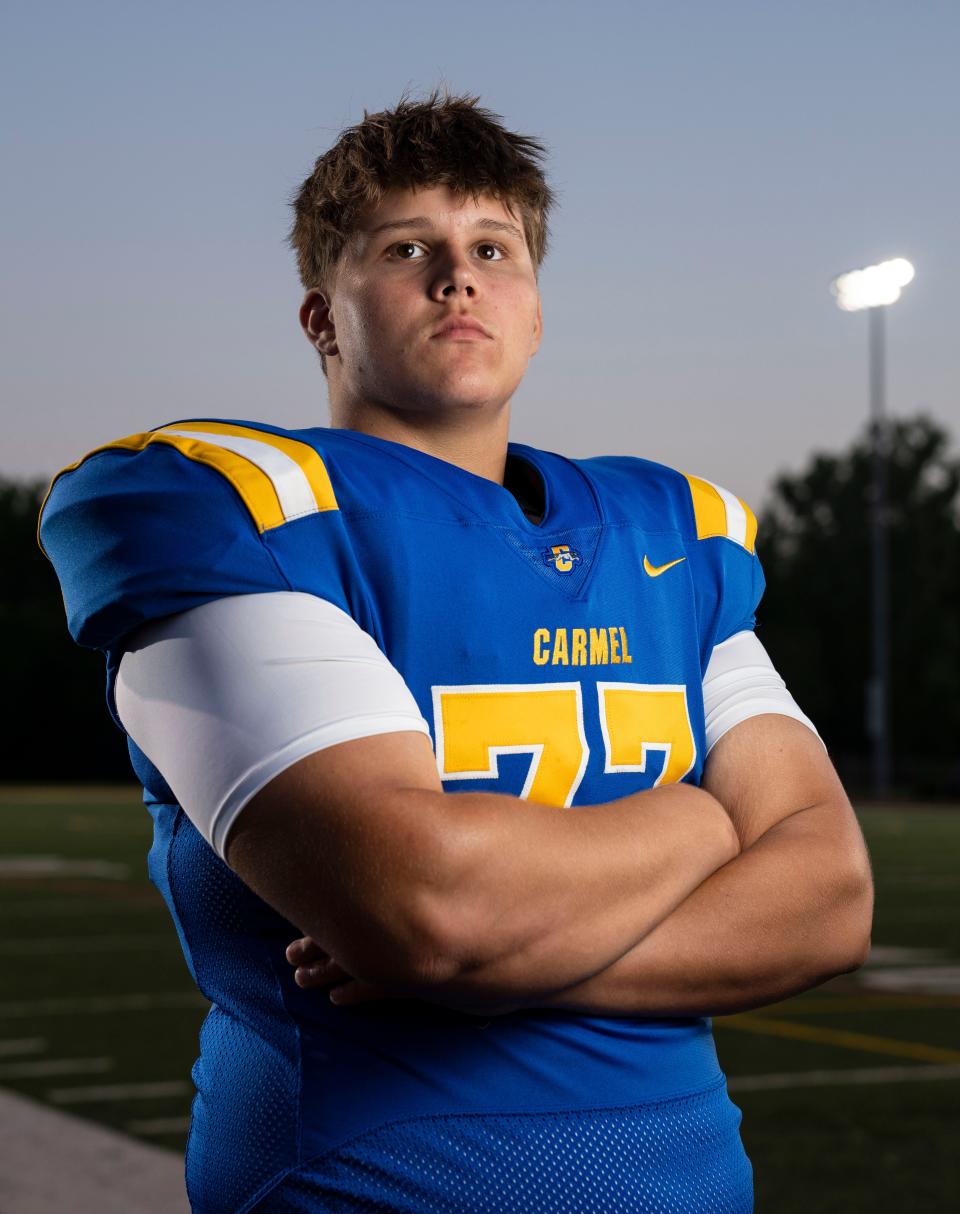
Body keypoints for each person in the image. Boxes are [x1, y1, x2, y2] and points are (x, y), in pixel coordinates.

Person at [39, 90, 873, 1214]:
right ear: (322, 318)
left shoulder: (670, 533)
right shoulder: (233, 507)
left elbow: (828, 898)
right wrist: (703, 820)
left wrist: (502, 968)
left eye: (494, 247)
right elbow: (435, 908)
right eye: (406, 248)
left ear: (534, 311)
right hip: (368, 1184)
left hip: (695, 1182)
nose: (458, 275)